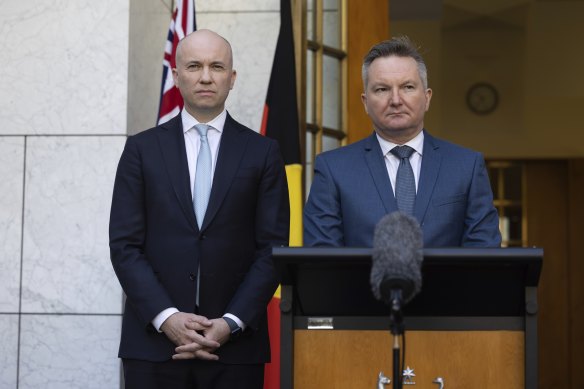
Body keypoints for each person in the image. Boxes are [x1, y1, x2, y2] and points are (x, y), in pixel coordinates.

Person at [109, 29, 290, 389]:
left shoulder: (263, 153)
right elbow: (125, 246)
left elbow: (272, 251)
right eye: (194, 66)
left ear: (232, 78)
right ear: (176, 76)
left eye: (216, 66)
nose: (206, 76)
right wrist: (168, 318)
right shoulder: (141, 150)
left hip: (235, 350)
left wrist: (229, 323)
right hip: (154, 347)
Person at [303, 36, 501, 248]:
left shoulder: (466, 166)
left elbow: (484, 257)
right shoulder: (334, 169)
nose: (396, 100)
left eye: (407, 87)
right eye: (382, 89)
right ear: (365, 102)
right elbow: (322, 262)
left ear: (427, 98)